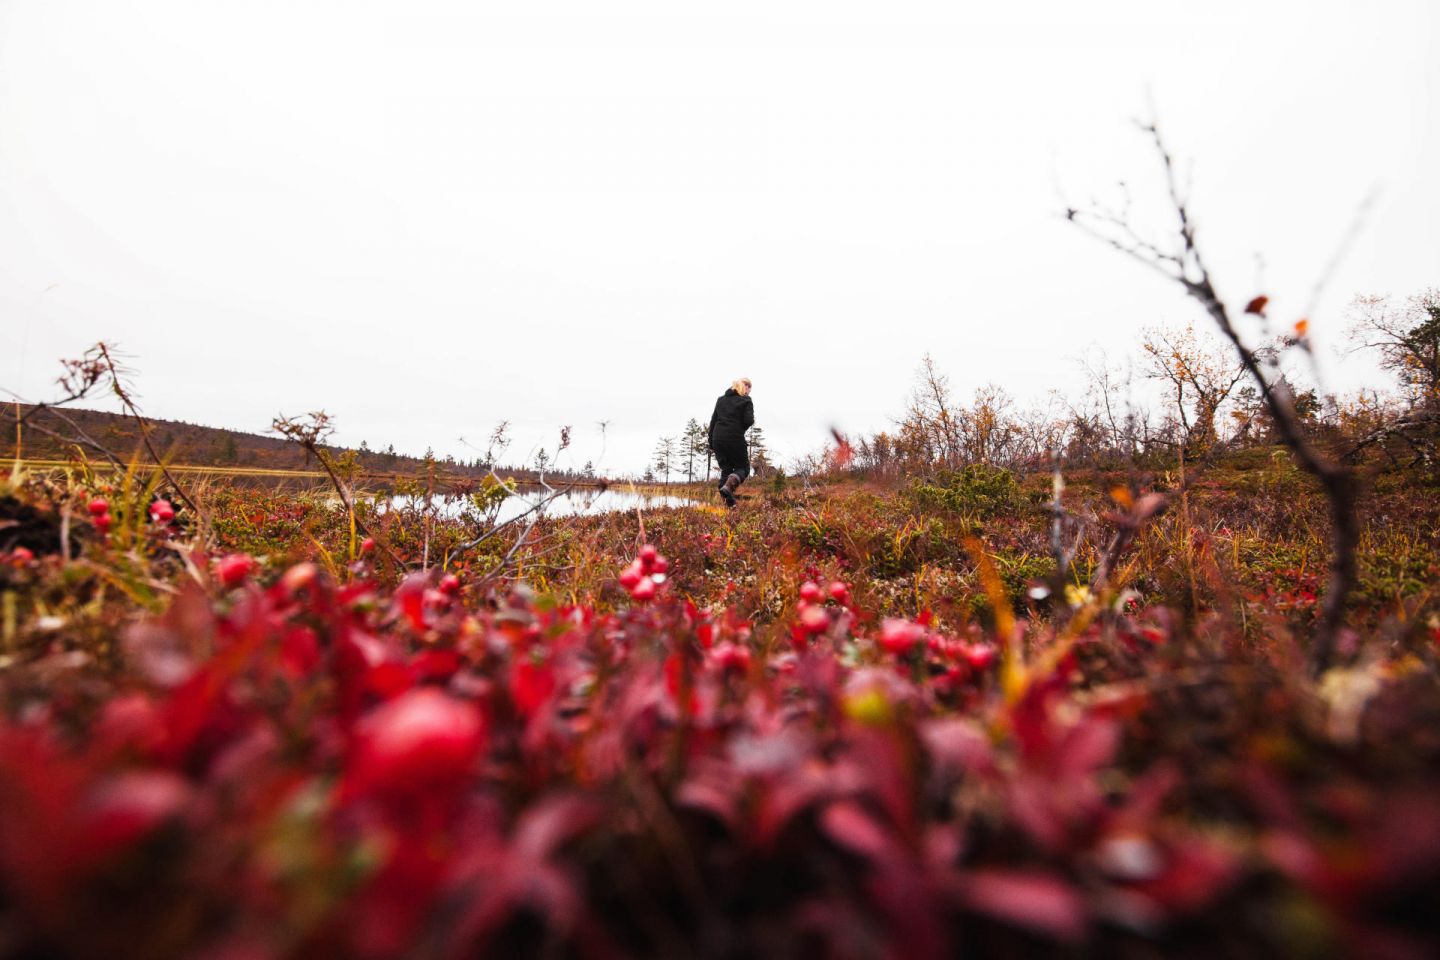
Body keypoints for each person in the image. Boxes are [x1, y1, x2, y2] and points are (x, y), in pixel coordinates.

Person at [708, 378, 754, 507]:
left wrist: (711, 443)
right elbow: (749, 420)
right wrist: (739, 429)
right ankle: (728, 488)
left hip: (717, 438)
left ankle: (729, 504)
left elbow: (713, 422)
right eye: (749, 388)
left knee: (726, 470)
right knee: (743, 468)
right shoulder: (746, 400)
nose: (749, 392)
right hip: (734, 437)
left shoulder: (721, 400)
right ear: (745, 387)